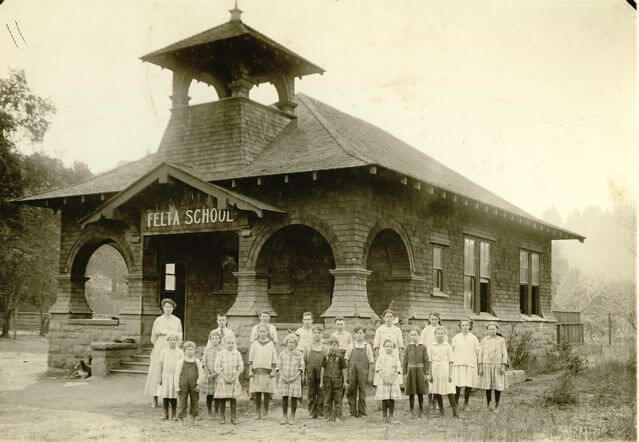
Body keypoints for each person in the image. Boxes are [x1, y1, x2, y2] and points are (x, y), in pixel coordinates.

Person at [145, 298, 183, 407]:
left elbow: (180, 335)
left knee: (172, 371)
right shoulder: (158, 320)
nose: (168, 309)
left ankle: (172, 398)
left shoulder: (177, 320)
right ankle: (154, 397)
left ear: (173, 308)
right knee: (157, 371)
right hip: (160, 345)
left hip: (173, 347)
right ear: (163, 307)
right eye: (166, 307)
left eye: (170, 307)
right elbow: (153, 337)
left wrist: (175, 347)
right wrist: (159, 346)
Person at [248, 324, 278, 420]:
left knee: (266, 392)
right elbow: (251, 358)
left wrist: (273, 370)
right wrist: (250, 369)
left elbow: (274, 357)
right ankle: (257, 412)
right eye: (260, 331)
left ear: (267, 333)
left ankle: (266, 411)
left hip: (267, 370)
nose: (262, 333)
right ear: (258, 333)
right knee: (257, 392)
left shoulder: (271, 343)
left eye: (264, 331)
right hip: (257, 370)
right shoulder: (255, 344)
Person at [427, 326, 457, 418]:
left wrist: (450, 374)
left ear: (445, 335)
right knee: (437, 390)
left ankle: (455, 412)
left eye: (441, 333)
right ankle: (441, 412)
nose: (440, 335)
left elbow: (451, 361)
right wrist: (430, 374)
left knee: (449, 390)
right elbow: (430, 361)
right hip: (435, 368)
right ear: (435, 335)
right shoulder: (432, 346)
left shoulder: (447, 346)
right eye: (438, 333)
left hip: (445, 369)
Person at [419, 312, 447, 408]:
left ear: (438, 319)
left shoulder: (442, 330)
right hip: (428, 356)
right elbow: (421, 342)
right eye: (432, 319)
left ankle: (436, 400)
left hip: (438, 357)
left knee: (437, 378)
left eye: (435, 319)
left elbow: (445, 343)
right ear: (429, 320)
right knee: (429, 378)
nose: (434, 321)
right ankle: (430, 399)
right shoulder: (426, 329)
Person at [478, 322, 508, 411]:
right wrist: (480, 366)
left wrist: (503, 365)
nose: (492, 331)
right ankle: (489, 404)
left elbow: (504, 353)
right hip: (486, 365)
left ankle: (497, 405)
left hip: (497, 365)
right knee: (488, 386)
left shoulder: (501, 340)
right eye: (490, 329)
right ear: (487, 330)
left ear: (497, 329)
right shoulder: (484, 340)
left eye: (493, 329)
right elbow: (480, 354)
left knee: (497, 385)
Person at [345, 326, 374, 418]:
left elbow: (371, 362)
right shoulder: (351, 345)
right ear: (354, 335)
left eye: (361, 333)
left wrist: (370, 375)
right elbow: (346, 361)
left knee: (362, 392)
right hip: (352, 372)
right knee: (351, 391)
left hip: (363, 372)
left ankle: (362, 411)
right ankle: (352, 411)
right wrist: (346, 374)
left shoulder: (367, 346)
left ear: (364, 334)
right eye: (357, 333)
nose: (359, 335)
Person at [451, 318, 480, 411]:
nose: (464, 327)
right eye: (463, 325)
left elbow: (477, 352)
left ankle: (466, 403)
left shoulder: (474, 338)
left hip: (469, 363)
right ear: (460, 326)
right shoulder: (456, 338)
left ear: (470, 326)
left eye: (466, 325)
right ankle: (455, 403)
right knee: (457, 383)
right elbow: (452, 351)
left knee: (468, 383)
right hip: (458, 363)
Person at [214, 336, 244, 424]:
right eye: (228, 343)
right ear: (224, 344)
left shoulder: (237, 353)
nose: (230, 345)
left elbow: (240, 366)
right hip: (223, 379)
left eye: (232, 343)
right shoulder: (221, 353)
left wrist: (235, 377)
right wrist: (224, 377)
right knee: (222, 399)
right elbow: (217, 367)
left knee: (232, 399)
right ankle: (222, 417)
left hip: (234, 379)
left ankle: (233, 418)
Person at [277, 333, 305, 425]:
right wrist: (282, 376)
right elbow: (279, 366)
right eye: (289, 342)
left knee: (294, 398)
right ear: (286, 343)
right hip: (284, 379)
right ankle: (284, 416)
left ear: (296, 343)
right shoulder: (282, 354)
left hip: (295, 379)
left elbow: (301, 367)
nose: (291, 344)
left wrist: (295, 377)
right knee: (284, 397)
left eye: (293, 342)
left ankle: (292, 416)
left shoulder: (299, 354)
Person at [174, 340, 204, 423]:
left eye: (192, 349)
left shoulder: (197, 361)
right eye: (188, 349)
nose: (190, 351)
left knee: (195, 401)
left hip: (194, 385)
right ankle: (181, 418)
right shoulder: (181, 361)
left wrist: (198, 384)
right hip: (183, 385)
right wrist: (177, 386)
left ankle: (194, 418)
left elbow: (201, 373)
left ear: (195, 350)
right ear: (184, 351)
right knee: (182, 401)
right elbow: (177, 374)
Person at [403, 327, 429, 419]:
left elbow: (426, 361)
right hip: (411, 371)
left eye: (415, 335)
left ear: (419, 336)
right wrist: (405, 373)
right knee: (411, 392)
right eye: (411, 335)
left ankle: (421, 412)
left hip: (420, 372)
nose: (413, 337)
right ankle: (411, 411)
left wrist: (426, 373)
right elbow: (405, 360)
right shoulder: (408, 347)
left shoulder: (423, 347)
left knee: (420, 392)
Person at [374, 339, 403, 424]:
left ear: (393, 347)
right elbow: (378, 368)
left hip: (393, 380)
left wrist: (392, 379)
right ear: (384, 347)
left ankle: (391, 416)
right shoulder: (381, 356)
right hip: (383, 380)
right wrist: (384, 378)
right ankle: (384, 416)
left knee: (391, 398)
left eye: (391, 346)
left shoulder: (395, 357)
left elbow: (398, 369)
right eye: (387, 346)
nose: (389, 348)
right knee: (385, 398)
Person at [320, 337, 348, 422]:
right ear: (328, 346)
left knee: (338, 400)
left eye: (335, 345)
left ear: (337, 346)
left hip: (338, 382)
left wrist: (345, 381)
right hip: (327, 381)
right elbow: (322, 369)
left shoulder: (340, 358)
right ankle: (328, 417)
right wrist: (321, 382)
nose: (332, 347)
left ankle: (337, 417)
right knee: (327, 399)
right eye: (330, 345)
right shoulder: (325, 357)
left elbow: (344, 370)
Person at [303, 324, 327, 419]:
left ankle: (321, 411)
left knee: (321, 392)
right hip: (310, 372)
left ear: (322, 334)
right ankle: (312, 411)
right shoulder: (308, 346)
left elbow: (326, 362)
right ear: (312, 334)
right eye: (315, 333)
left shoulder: (325, 347)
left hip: (321, 373)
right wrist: (305, 372)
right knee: (311, 392)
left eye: (319, 333)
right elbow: (304, 360)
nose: (317, 335)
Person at [157, 333, 183, 420]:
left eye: (174, 340)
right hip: (166, 376)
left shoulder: (179, 352)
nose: (172, 341)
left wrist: (180, 377)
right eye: (170, 340)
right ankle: (165, 414)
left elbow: (182, 365)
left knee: (174, 395)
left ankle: (174, 414)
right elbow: (160, 365)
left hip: (175, 376)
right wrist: (159, 377)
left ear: (177, 341)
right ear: (167, 341)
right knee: (166, 394)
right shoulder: (164, 351)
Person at [201, 330, 221, 418]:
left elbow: (222, 363)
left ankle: (216, 410)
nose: (215, 340)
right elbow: (203, 362)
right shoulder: (207, 350)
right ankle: (209, 410)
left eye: (217, 338)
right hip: (209, 374)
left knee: (217, 393)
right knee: (210, 394)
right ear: (210, 339)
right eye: (213, 338)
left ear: (220, 340)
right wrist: (208, 372)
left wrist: (217, 372)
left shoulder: (222, 350)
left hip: (218, 375)